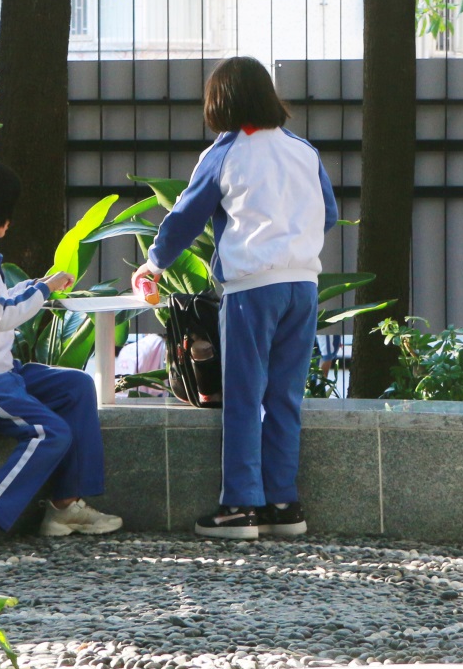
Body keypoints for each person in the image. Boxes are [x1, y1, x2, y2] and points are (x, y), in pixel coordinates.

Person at [133, 55, 338, 541]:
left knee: (244, 398)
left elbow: (185, 217)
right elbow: (327, 213)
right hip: (303, 285)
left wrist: (153, 265)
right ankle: (284, 506)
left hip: (252, 289)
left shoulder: (224, 154)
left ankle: (240, 508)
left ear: (219, 103)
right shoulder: (302, 149)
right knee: (285, 396)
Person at [0, 158, 124, 549]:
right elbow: (0, 315)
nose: (11, 220)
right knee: (49, 432)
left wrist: (41, 284)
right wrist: (44, 290)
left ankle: (66, 504)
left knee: (76, 385)